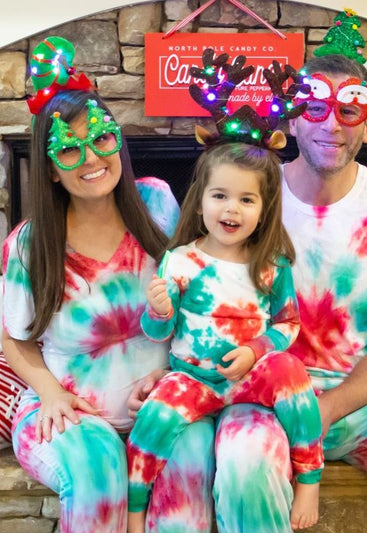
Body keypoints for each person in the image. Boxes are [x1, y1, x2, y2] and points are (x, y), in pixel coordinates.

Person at [130, 52, 367, 533]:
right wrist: (162, 373)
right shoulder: (248, 197)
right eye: (315, 106)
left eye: (349, 110)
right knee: (244, 464)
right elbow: (196, 298)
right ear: (294, 121)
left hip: (364, 395)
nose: (332, 123)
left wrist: (327, 409)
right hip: (259, 393)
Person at [1, 36, 215, 533]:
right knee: (99, 475)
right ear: (51, 170)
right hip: (69, 412)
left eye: (100, 138)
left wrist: (175, 375)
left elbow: (194, 302)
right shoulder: (31, 244)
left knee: (194, 459)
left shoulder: (159, 204)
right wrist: (50, 393)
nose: (91, 157)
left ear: (117, 138)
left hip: (160, 402)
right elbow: (16, 338)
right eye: (69, 150)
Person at [126, 141, 324, 533]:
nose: (232, 208)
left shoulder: (271, 263)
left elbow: (287, 324)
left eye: (247, 199)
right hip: (192, 379)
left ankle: (308, 481)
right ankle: (135, 512)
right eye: (220, 196)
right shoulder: (181, 260)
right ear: (200, 203)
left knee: (291, 371)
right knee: (151, 421)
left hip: (248, 380)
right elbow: (157, 332)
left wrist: (256, 351)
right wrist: (160, 311)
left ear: (264, 210)